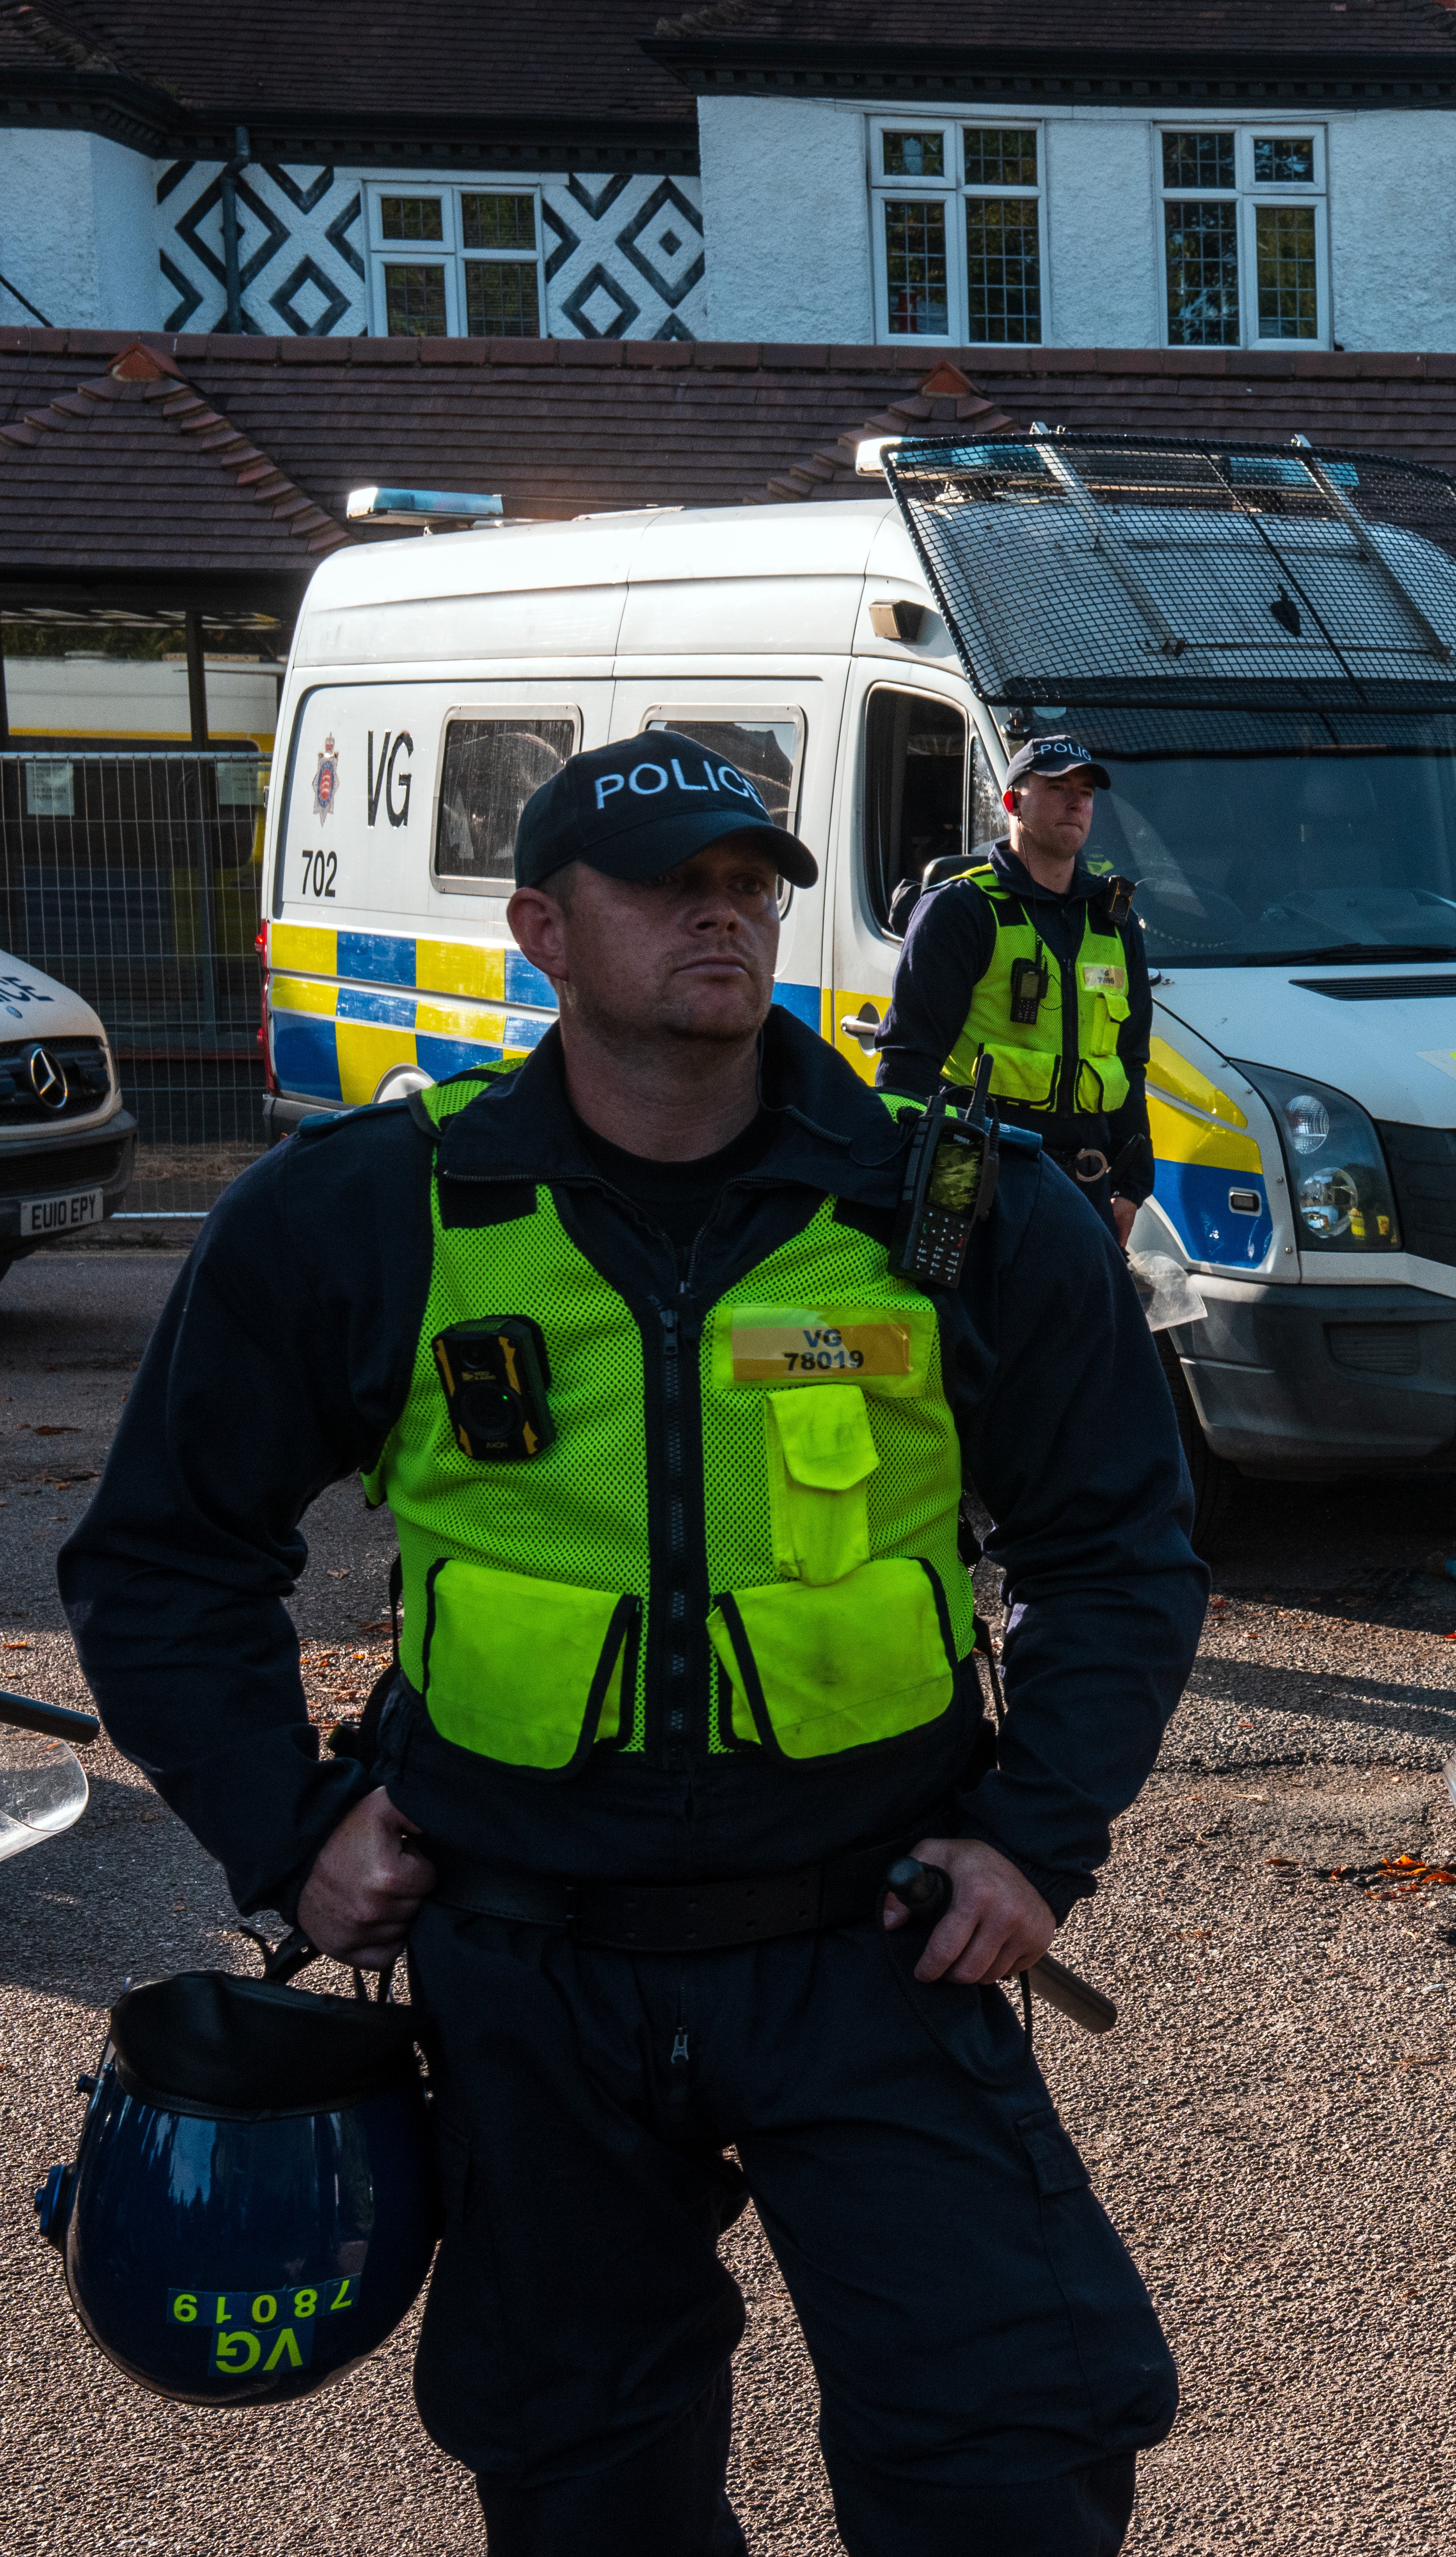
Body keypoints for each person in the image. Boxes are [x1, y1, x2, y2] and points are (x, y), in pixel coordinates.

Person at [60, 732, 1202, 2554]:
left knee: (1009, 2447)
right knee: (587, 2471)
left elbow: (1121, 1549)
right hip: (531, 1967)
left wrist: (1037, 1834)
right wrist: (288, 1830)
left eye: (751, 884)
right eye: (668, 884)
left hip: (873, 1945)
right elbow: (162, 1559)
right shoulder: (377, 1212)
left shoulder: (955, 1210)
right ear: (539, 929)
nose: (721, 913)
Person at [877, 733, 1154, 1244]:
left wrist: (1133, 1186)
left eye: (1087, 792)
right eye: (1057, 786)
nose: (1077, 801)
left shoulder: (1114, 924)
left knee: (1076, 1323)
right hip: (969, 1164)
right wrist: (894, 1180)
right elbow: (907, 1059)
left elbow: (1130, 1060)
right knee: (969, 1320)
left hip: (1084, 1179)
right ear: (1012, 803)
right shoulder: (960, 911)